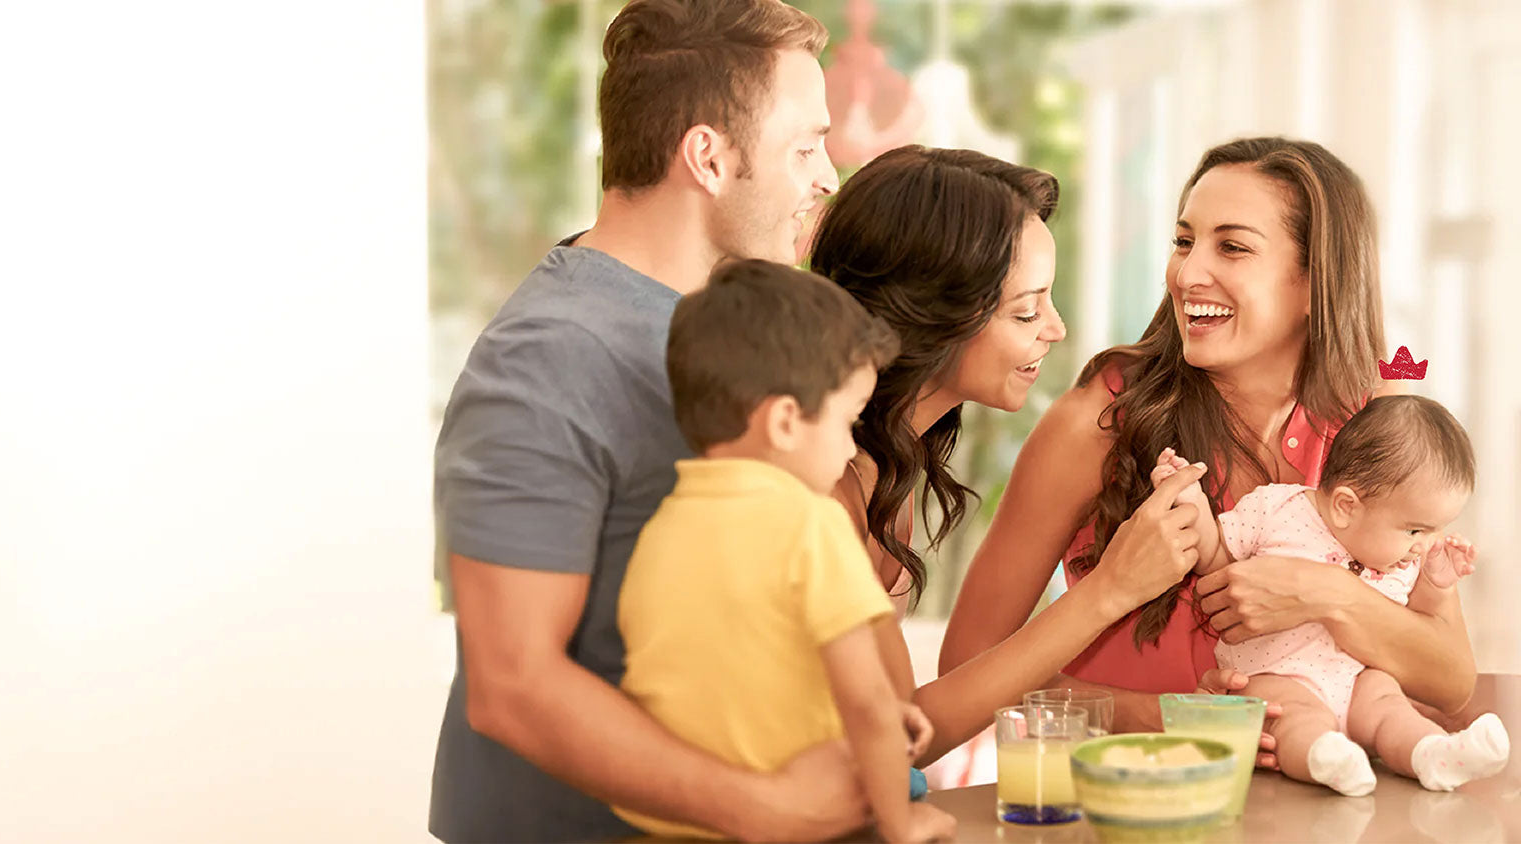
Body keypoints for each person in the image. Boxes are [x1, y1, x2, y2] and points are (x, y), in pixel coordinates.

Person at [429, 2, 863, 841]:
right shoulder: (547, 358)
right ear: (707, 156)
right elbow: (511, 681)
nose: (826, 178)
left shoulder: (723, 336)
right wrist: (771, 808)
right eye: (805, 148)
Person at [942, 137, 1478, 754]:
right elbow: (965, 667)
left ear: (1313, 283)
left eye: (1232, 247)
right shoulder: (1103, 417)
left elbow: (1450, 680)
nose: (1187, 272)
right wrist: (1165, 718)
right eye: (1183, 240)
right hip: (1131, 804)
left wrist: (1322, 592)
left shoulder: (1380, 418)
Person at [803, 145, 1213, 763]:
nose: (1055, 328)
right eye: (1026, 310)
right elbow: (893, 745)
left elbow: (896, 718)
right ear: (932, 318)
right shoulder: (827, 485)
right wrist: (1108, 591)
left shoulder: (881, 468)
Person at [614, 259, 954, 842]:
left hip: (671, 822)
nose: (851, 448)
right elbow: (870, 699)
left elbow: (727, 679)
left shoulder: (660, 529)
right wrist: (902, 824)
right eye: (848, 422)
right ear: (786, 422)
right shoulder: (811, 523)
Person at [1150, 396, 1508, 796]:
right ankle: (1326, 757)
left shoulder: (1402, 559)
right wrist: (1192, 502)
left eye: (1435, 530)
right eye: (1415, 531)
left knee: (1390, 706)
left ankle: (1432, 754)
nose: (1424, 546)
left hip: (1359, 680)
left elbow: (1423, 627)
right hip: (1279, 674)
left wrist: (1437, 584)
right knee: (1295, 719)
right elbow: (1215, 554)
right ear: (1345, 507)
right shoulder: (1277, 510)